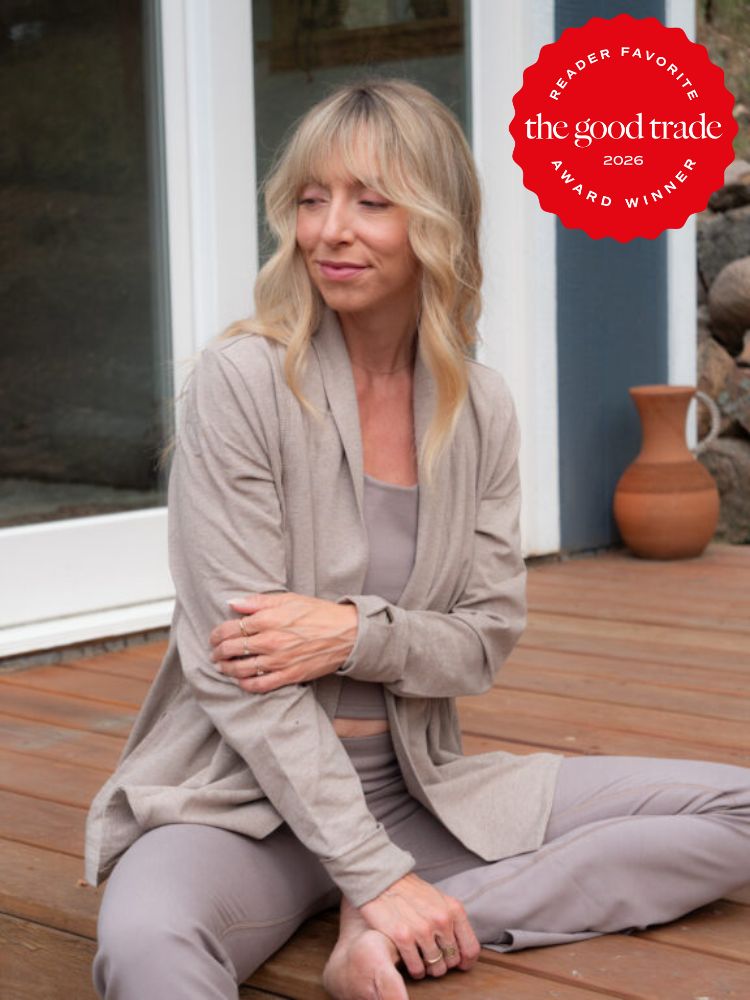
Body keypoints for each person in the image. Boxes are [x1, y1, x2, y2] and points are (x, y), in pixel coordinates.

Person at [86, 79, 750, 1000]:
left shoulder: (480, 408)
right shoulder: (242, 383)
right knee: (147, 945)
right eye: (312, 200)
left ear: (437, 220)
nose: (330, 231)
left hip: (420, 789)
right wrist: (371, 868)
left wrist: (354, 635)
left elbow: (483, 641)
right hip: (244, 802)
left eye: (372, 201)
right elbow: (234, 666)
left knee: (737, 809)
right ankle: (397, 901)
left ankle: (414, 930)